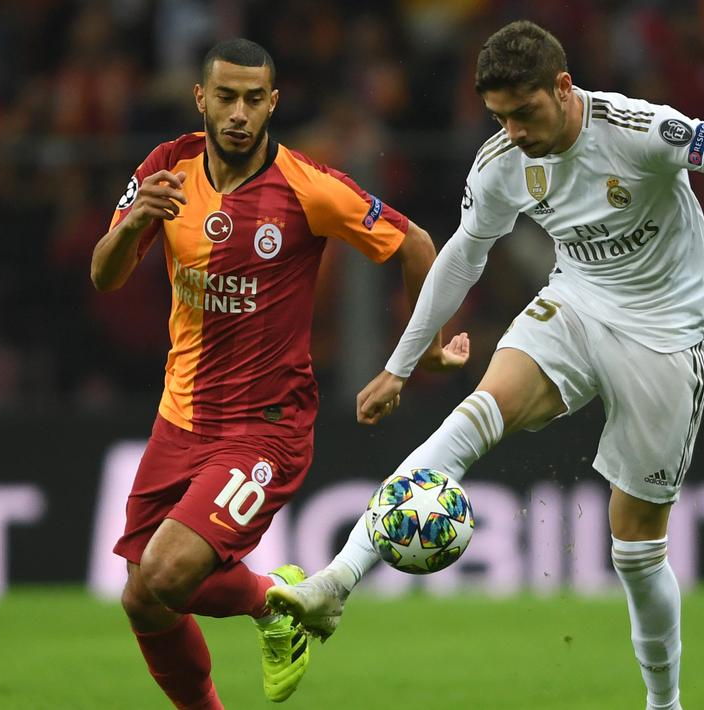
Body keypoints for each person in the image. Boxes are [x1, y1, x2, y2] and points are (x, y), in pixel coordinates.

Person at [268, 20, 704, 710]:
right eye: (498, 117)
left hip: (663, 338)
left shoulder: (635, 128)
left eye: (523, 112)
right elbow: (463, 252)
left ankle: (663, 703)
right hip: (573, 307)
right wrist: (399, 365)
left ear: (563, 87)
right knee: (471, 419)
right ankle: (333, 584)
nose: (511, 130)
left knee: (634, 552)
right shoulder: (500, 162)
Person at [92, 38, 467, 708]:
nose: (237, 112)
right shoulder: (166, 167)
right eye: (225, 97)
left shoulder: (306, 187)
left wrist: (423, 350)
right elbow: (104, 275)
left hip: (264, 427)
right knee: (143, 600)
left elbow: (415, 244)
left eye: (251, 99)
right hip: (177, 420)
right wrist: (129, 227)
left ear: (271, 103)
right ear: (200, 98)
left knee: (168, 573)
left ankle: (277, 602)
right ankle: (272, 617)